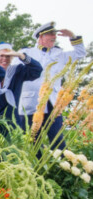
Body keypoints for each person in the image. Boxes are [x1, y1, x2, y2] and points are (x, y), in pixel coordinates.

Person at [18, 22, 86, 150]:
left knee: (58, 139)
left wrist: (72, 36)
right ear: (40, 37)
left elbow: (81, 53)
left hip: (53, 103)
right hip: (31, 103)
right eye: (50, 34)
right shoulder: (26, 52)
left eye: (55, 34)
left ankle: (60, 167)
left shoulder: (59, 54)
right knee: (32, 140)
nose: (54, 36)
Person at [0, 42, 42, 126]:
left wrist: (22, 56)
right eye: (1, 56)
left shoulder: (17, 71)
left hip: (11, 121)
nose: (4, 59)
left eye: (8, 56)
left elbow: (37, 70)